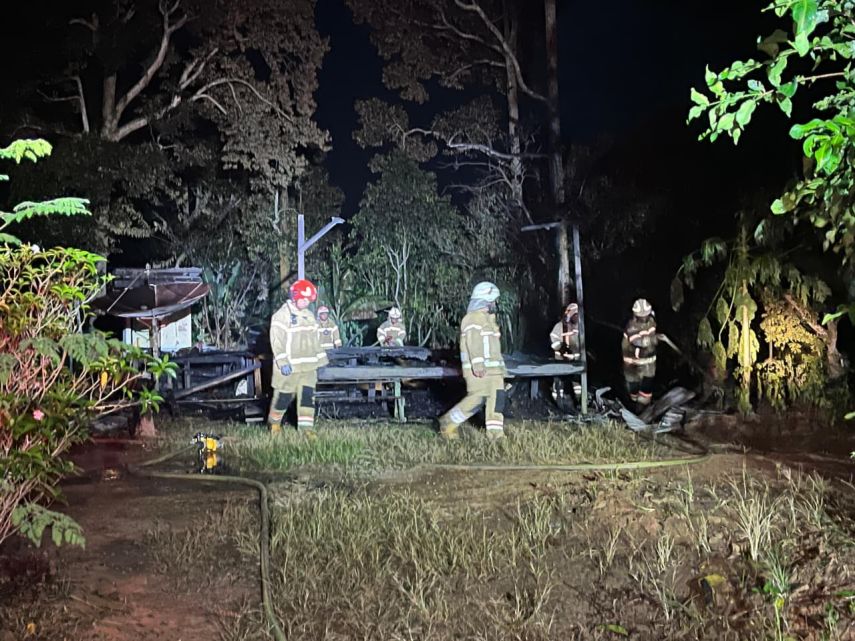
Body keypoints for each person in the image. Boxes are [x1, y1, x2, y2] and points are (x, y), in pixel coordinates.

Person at [438, 282, 507, 439]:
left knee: (497, 400)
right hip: (479, 371)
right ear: (485, 300)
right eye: (493, 300)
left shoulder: (488, 320)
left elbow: (493, 348)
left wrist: (501, 369)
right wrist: (477, 364)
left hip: (494, 371)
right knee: (477, 399)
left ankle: (496, 434)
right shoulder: (473, 319)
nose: (495, 304)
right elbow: (473, 342)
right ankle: (448, 422)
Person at [268, 279, 328, 434]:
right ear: (295, 296)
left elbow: (315, 340)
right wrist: (282, 361)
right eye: (304, 299)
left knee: (307, 397)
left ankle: (306, 429)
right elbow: (277, 340)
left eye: (309, 300)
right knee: (283, 396)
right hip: (289, 368)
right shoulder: (282, 315)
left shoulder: (309, 316)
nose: (306, 303)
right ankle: (274, 424)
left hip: (308, 367)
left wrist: (321, 360)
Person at [622, 298, 658, 409]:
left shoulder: (651, 321)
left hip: (649, 363)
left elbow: (652, 334)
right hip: (633, 364)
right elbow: (638, 344)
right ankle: (633, 406)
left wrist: (654, 340)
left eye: (646, 315)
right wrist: (651, 342)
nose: (645, 318)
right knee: (634, 389)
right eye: (642, 317)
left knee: (647, 388)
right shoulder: (631, 327)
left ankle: (644, 407)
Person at [549, 303, 582, 402]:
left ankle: (579, 402)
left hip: (577, 361)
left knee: (577, 384)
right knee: (558, 383)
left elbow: (584, 347)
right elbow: (553, 342)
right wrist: (561, 349)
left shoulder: (581, 327)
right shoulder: (559, 327)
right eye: (574, 315)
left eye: (577, 315)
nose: (576, 317)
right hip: (561, 361)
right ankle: (558, 402)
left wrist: (575, 356)